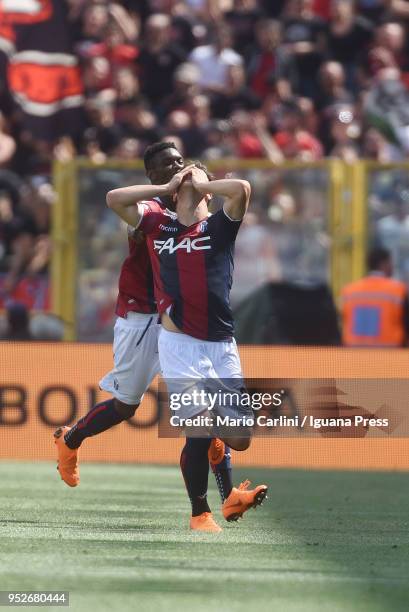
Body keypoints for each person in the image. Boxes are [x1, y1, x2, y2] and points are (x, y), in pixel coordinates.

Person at [54, 142, 260, 532]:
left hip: (184, 324)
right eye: (167, 165)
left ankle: (226, 497)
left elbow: (236, 193)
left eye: (180, 161)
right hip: (142, 315)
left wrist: (199, 185)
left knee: (204, 424)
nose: (177, 168)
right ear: (152, 177)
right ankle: (72, 438)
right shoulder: (153, 212)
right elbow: (116, 199)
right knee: (126, 405)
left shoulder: (204, 210)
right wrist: (170, 191)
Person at [341, 247, 409, 347]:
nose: (392, 266)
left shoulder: (349, 291)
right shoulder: (398, 290)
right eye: (390, 263)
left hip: (354, 355)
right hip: (390, 357)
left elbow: (344, 320)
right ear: (383, 264)